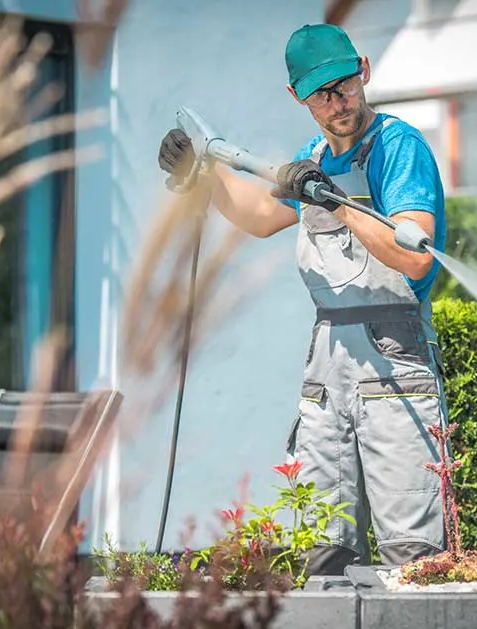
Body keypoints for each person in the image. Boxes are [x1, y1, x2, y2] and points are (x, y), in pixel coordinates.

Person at [157, 23, 451, 574]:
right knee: (321, 543)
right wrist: (204, 174)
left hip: (395, 358)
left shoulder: (397, 147)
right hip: (327, 363)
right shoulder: (313, 153)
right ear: (297, 96)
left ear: (363, 70)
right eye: (321, 93)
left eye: (344, 85)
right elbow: (262, 216)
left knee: (412, 553)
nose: (337, 101)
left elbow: (416, 256)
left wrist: (336, 202)